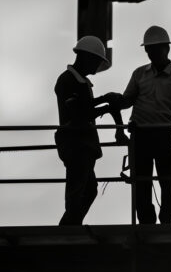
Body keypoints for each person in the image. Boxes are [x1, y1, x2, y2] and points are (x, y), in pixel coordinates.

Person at [114, 25, 171, 224]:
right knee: (141, 183)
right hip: (140, 134)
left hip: (164, 134)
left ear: (166, 49)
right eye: (148, 50)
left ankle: (168, 221)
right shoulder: (139, 74)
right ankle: (146, 223)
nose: (151, 53)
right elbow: (127, 100)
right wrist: (113, 102)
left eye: (155, 49)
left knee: (167, 181)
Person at [53, 36, 124, 225]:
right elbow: (79, 112)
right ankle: (68, 230)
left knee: (89, 189)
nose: (98, 66)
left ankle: (71, 225)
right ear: (86, 57)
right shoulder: (67, 81)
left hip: (84, 144)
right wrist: (105, 100)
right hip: (75, 143)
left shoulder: (81, 82)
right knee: (77, 191)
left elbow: (88, 109)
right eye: (97, 61)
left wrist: (116, 121)